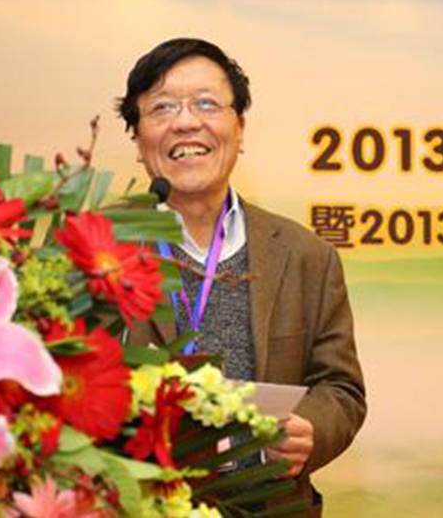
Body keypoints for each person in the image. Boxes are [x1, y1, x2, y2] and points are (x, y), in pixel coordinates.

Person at [118, 38, 366, 517]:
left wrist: (311, 430)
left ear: (240, 127)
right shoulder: (95, 251)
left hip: (269, 504)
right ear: (137, 137)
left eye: (207, 103)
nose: (186, 122)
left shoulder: (305, 255)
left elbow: (341, 388)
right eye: (162, 107)